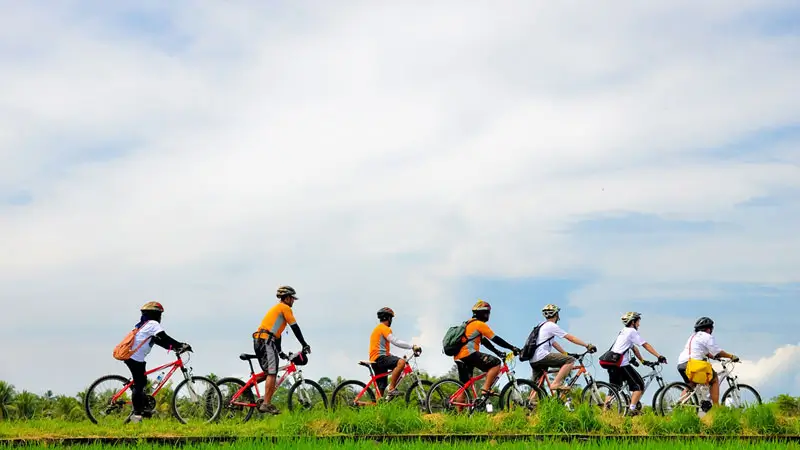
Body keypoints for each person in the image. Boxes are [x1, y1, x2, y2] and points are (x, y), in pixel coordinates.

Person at [124, 302, 190, 423]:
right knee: (139, 384)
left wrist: (174, 347)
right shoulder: (152, 324)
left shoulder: (145, 325)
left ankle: (143, 410)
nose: (160, 318)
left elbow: (162, 342)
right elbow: (164, 336)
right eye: (159, 314)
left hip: (135, 358)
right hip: (134, 358)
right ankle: (137, 415)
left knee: (142, 382)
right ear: (154, 314)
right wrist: (180, 345)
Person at [252, 285, 311, 415]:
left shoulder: (278, 309)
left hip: (264, 340)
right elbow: (295, 328)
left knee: (270, 372)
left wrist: (279, 351)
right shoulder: (285, 308)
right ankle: (266, 404)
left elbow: (276, 334)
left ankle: (248, 388)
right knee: (272, 373)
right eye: (292, 298)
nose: (294, 301)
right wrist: (304, 344)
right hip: (265, 341)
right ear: (287, 298)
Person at [453, 300, 520, 407]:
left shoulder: (468, 324)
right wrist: (512, 347)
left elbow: (485, 342)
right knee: (496, 363)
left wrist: (497, 352)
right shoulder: (479, 324)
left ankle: (459, 415)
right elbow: (495, 339)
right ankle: (485, 389)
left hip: (459, 356)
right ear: (482, 313)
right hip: (469, 354)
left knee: (463, 386)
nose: (488, 315)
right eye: (487, 312)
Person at [604, 312, 668, 415]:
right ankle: (632, 410)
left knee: (614, 388)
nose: (639, 324)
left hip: (612, 363)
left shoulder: (623, 331)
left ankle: (605, 413)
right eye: (638, 321)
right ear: (633, 322)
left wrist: (642, 361)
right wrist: (659, 356)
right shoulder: (632, 331)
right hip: (621, 364)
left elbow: (634, 348)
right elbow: (645, 345)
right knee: (639, 385)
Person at [529, 304, 596, 392]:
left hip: (533, 359)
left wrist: (564, 353)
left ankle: (531, 403)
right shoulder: (551, 326)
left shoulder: (541, 325)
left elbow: (553, 343)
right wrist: (587, 345)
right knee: (570, 360)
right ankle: (556, 383)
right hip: (542, 356)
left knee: (538, 386)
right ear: (556, 315)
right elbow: (570, 338)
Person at [676, 316, 739, 406]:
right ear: (709, 329)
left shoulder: (693, 337)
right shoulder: (707, 336)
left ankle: (678, 404)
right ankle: (716, 407)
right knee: (714, 379)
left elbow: (704, 352)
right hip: (694, 364)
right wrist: (731, 356)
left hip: (682, 363)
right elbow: (717, 352)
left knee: (691, 385)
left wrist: (714, 357)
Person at [369, 307, 422, 400]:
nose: (391, 320)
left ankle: (377, 410)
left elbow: (382, 348)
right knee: (401, 362)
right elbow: (395, 341)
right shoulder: (384, 328)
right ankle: (392, 388)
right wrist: (412, 346)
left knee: (381, 389)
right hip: (380, 358)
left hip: (375, 359)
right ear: (388, 318)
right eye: (391, 318)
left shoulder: (377, 329)